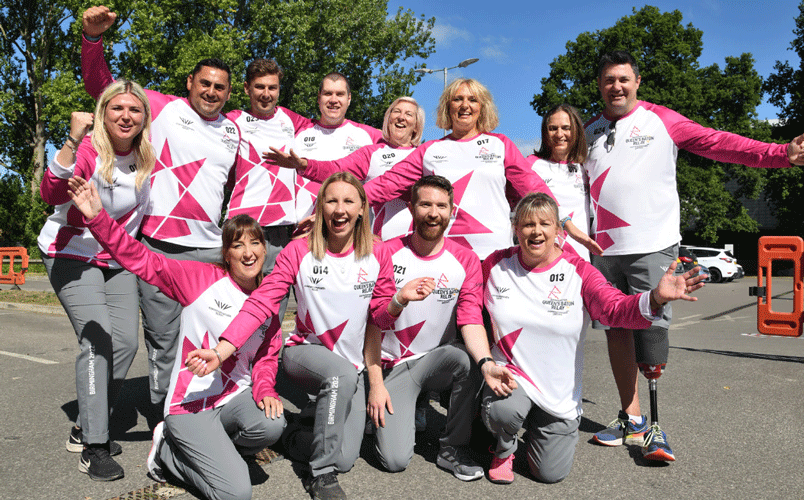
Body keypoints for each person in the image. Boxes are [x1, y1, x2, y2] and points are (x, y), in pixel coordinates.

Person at [585, 50, 804, 461]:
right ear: (600, 86)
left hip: (652, 244)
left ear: (637, 82)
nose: (617, 86)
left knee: (651, 332)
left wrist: (780, 153)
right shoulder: (589, 129)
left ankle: (657, 426)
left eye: (624, 79)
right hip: (602, 250)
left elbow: (720, 144)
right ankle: (631, 417)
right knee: (615, 331)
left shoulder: (663, 120)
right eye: (609, 80)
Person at [68, 177, 284, 500]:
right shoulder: (200, 279)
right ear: (226, 254)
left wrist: (265, 387)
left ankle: (215, 451)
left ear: (265, 249)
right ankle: (167, 453)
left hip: (233, 399)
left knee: (272, 424)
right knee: (237, 494)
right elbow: (141, 259)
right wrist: (99, 219)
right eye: (238, 245)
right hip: (191, 405)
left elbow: (267, 357)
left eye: (255, 243)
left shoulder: (269, 299)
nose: (248, 253)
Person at [185, 172, 397, 500]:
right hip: (303, 353)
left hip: (353, 370)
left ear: (361, 209)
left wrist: (399, 301)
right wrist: (223, 349)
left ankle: (294, 431)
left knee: (345, 457)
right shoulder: (298, 251)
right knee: (337, 392)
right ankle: (319, 475)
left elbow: (380, 319)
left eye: (348, 201)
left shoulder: (379, 254)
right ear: (320, 207)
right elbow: (262, 303)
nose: (339, 209)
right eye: (331, 200)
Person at [480, 192, 704, 484]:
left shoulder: (579, 271)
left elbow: (614, 307)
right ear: (515, 230)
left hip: (557, 394)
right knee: (503, 412)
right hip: (511, 377)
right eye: (527, 224)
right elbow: (467, 306)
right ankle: (503, 447)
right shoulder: (495, 264)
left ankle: (540, 422)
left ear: (559, 231)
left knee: (550, 474)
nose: (536, 231)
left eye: (545, 224)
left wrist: (655, 298)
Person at [81, 6, 240, 413]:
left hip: (209, 252)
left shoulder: (233, 130)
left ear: (228, 92)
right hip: (159, 246)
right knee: (164, 341)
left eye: (219, 87)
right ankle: (164, 418)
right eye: (204, 83)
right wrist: (93, 41)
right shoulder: (162, 108)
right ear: (190, 82)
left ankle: (210, 412)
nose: (211, 91)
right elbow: (104, 90)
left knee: (213, 337)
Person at [37, 79, 154, 481]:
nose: (126, 116)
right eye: (117, 108)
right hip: (71, 253)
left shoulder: (147, 158)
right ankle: (94, 445)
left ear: (144, 118)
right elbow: (51, 193)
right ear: (104, 113)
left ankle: (86, 424)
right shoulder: (90, 151)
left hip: (115, 257)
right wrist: (72, 138)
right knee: (98, 338)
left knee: (124, 342)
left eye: (134, 110)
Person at [363, 175, 514, 481]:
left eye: (441, 205)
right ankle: (393, 407)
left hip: (436, 363)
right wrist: (399, 300)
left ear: (451, 210)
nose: (433, 213)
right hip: (393, 367)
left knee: (467, 358)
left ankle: (452, 449)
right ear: (410, 208)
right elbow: (375, 321)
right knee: (394, 461)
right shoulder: (385, 253)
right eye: (426, 204)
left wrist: (486, 364)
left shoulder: (466, 260)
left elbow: (470, 319)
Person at [361, 78, 575, 260]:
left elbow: (533, 187)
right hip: (445, 258)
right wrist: (346, 205)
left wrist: (563, 221)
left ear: (482, 107)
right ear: (448, 106)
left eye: (473, 100)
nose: (465, 105)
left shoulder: (501, 145)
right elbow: (385, 184)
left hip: (495, 256)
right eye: (458, 99)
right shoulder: (429, 150)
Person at [265, 96, 425, 240]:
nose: (401, 117)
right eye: (396, 111)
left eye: (409, 114)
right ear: (388, 118)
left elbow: (386, 186)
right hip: (373, 245)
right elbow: (336, 169)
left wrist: (335, 210)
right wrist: (303, 165)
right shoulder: (372, 152)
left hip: (414, 244)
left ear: (416, 126)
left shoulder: (424, 156)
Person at [226, 58, 313, 275]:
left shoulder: (291, 119)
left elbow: (328, 132)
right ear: (247, 88)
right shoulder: (232, 120)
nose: (266, 94)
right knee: (240, 300)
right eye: (260, 87)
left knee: (276, 301)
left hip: (282, 229)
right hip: (242, 225)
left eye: (272, 87)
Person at [291, 72, 382, 222]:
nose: (333, 100)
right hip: (305, 230)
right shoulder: (297, 134)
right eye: (328, 93)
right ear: (319, 98)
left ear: (349, 98)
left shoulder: (371, 136)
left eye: (340, 94)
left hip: (352, 232)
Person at [528, 104, 602, 261]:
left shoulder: (586, 165)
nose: (559, 134)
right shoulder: (531, 164)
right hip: (544, 259)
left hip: (581, 260)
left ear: (576, 131)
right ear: (545, 132)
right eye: (553, 128)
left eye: (566, 128)